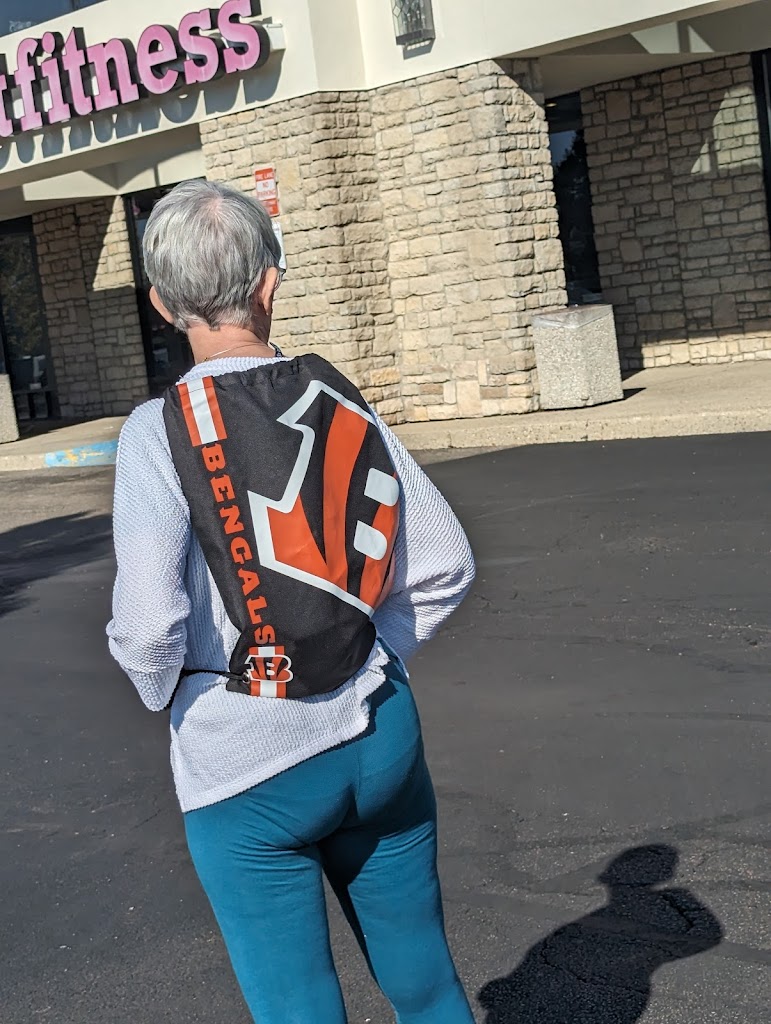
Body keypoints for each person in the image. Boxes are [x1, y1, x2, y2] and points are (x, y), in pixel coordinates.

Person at [107, 179, 477, 1023]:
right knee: (426, 985)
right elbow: (446, 561)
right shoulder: (338, 398)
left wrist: (170, 695)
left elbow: (150, 627)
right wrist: (369, 651)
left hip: (246, 756)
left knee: (297, 1008)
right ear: (270, 283)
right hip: (378, 728)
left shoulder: (156, 431)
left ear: (161, 304)